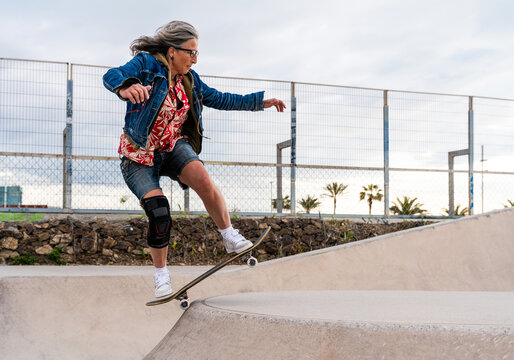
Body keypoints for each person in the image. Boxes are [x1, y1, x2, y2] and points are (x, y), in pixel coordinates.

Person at [103, 21, 286, 298]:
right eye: (190, 53)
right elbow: (112, 74)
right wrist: (125, 87)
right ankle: (161, 276)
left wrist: (260, 102)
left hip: (172, 146)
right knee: (159, 212)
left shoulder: (191, 79)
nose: (194, 59)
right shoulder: (146, 64)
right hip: (138, 156)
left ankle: (229, 236)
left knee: (202, 178)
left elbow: (220, 99)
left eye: (197, 53)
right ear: (172, 51)